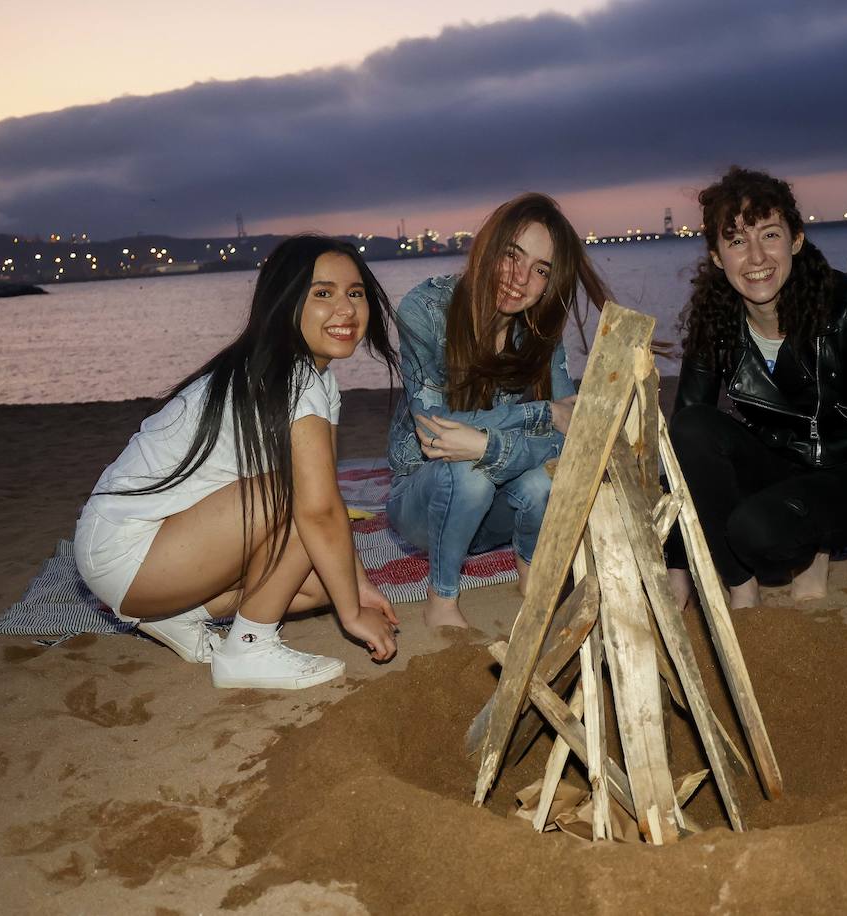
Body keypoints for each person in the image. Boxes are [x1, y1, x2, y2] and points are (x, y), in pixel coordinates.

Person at [75, 235, 401, 689]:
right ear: (284, 303)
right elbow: (316, 508)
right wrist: (351, 615)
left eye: (356, 292)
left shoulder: (316, 379)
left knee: (325, 583)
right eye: (322, 293)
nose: (346, 308)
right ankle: (250, 649)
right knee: (295, 501)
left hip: (164, 550)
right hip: (128, 550)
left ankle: (176, 617)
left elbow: (325, 498)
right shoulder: (291, 377)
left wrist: (357, 587)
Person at [666, 166, 847, 648]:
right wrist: (677, 563)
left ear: (797, 240)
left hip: (845, 481)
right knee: (689, 427)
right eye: (737, 241)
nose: (757, 257)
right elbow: (682, 448)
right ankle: (744, 594)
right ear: (718, 257)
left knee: (756, 533)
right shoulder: (715, 318)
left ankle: (820, 547)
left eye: (769, 235)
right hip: (776, 468)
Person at [386, 193, 610, 628]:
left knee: (542, 479)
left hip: (498, 517)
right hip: (423, 505)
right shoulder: (426, 309)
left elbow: (572, 436)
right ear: (488, 246)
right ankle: (442, 601)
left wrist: (484, 443)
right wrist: (539, 414)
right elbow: (433, 434)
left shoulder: (539, 331)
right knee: (468, 471)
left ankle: (531, 571)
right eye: (512, 256)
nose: (520, 279)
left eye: (540, 270)